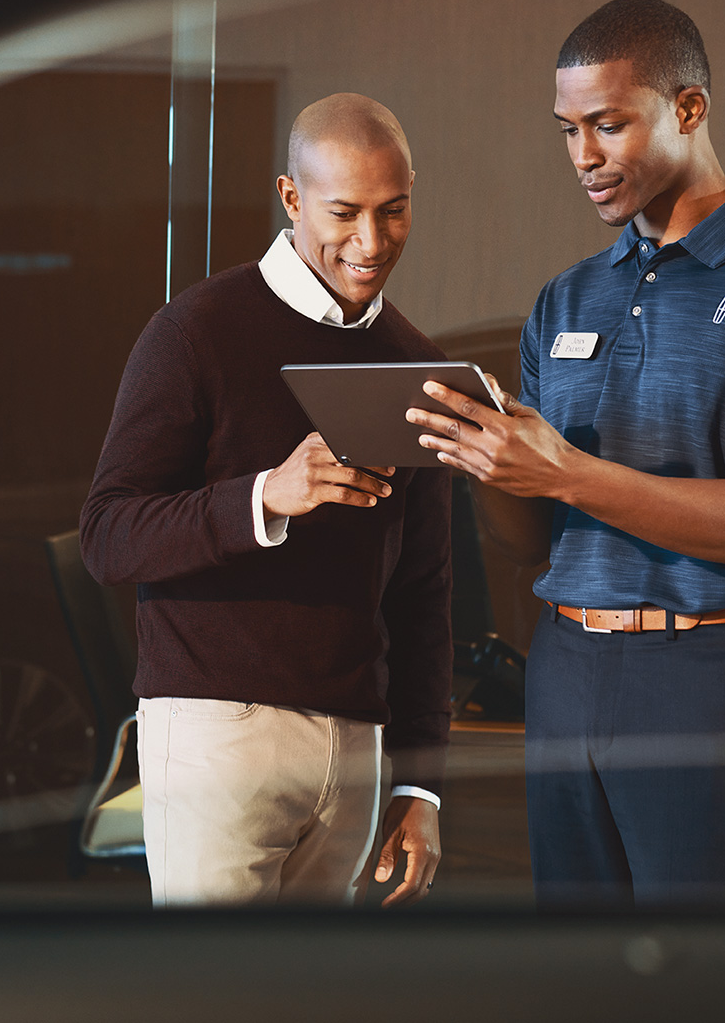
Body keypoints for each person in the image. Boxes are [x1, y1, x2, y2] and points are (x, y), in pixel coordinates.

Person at [407, 0, 725, 909]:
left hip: (714, 679)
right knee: (582, 982)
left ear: (689, 110)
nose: (583, 157)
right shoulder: (567, 297)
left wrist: (564, 470)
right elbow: (532, 541)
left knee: (705, 982)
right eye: (567, 130)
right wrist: (486, 453)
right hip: (568, 671)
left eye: (609, 125)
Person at [80, 93, 451, 908]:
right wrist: (266, 497)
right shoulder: (195, 333)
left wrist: (419, 787)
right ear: (291, 197)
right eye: (345, 212)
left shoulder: (416, 364)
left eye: (394, 211)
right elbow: (106, 536)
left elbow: (424, 598)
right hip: (219, 731)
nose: (371, 241)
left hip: (358, 746)